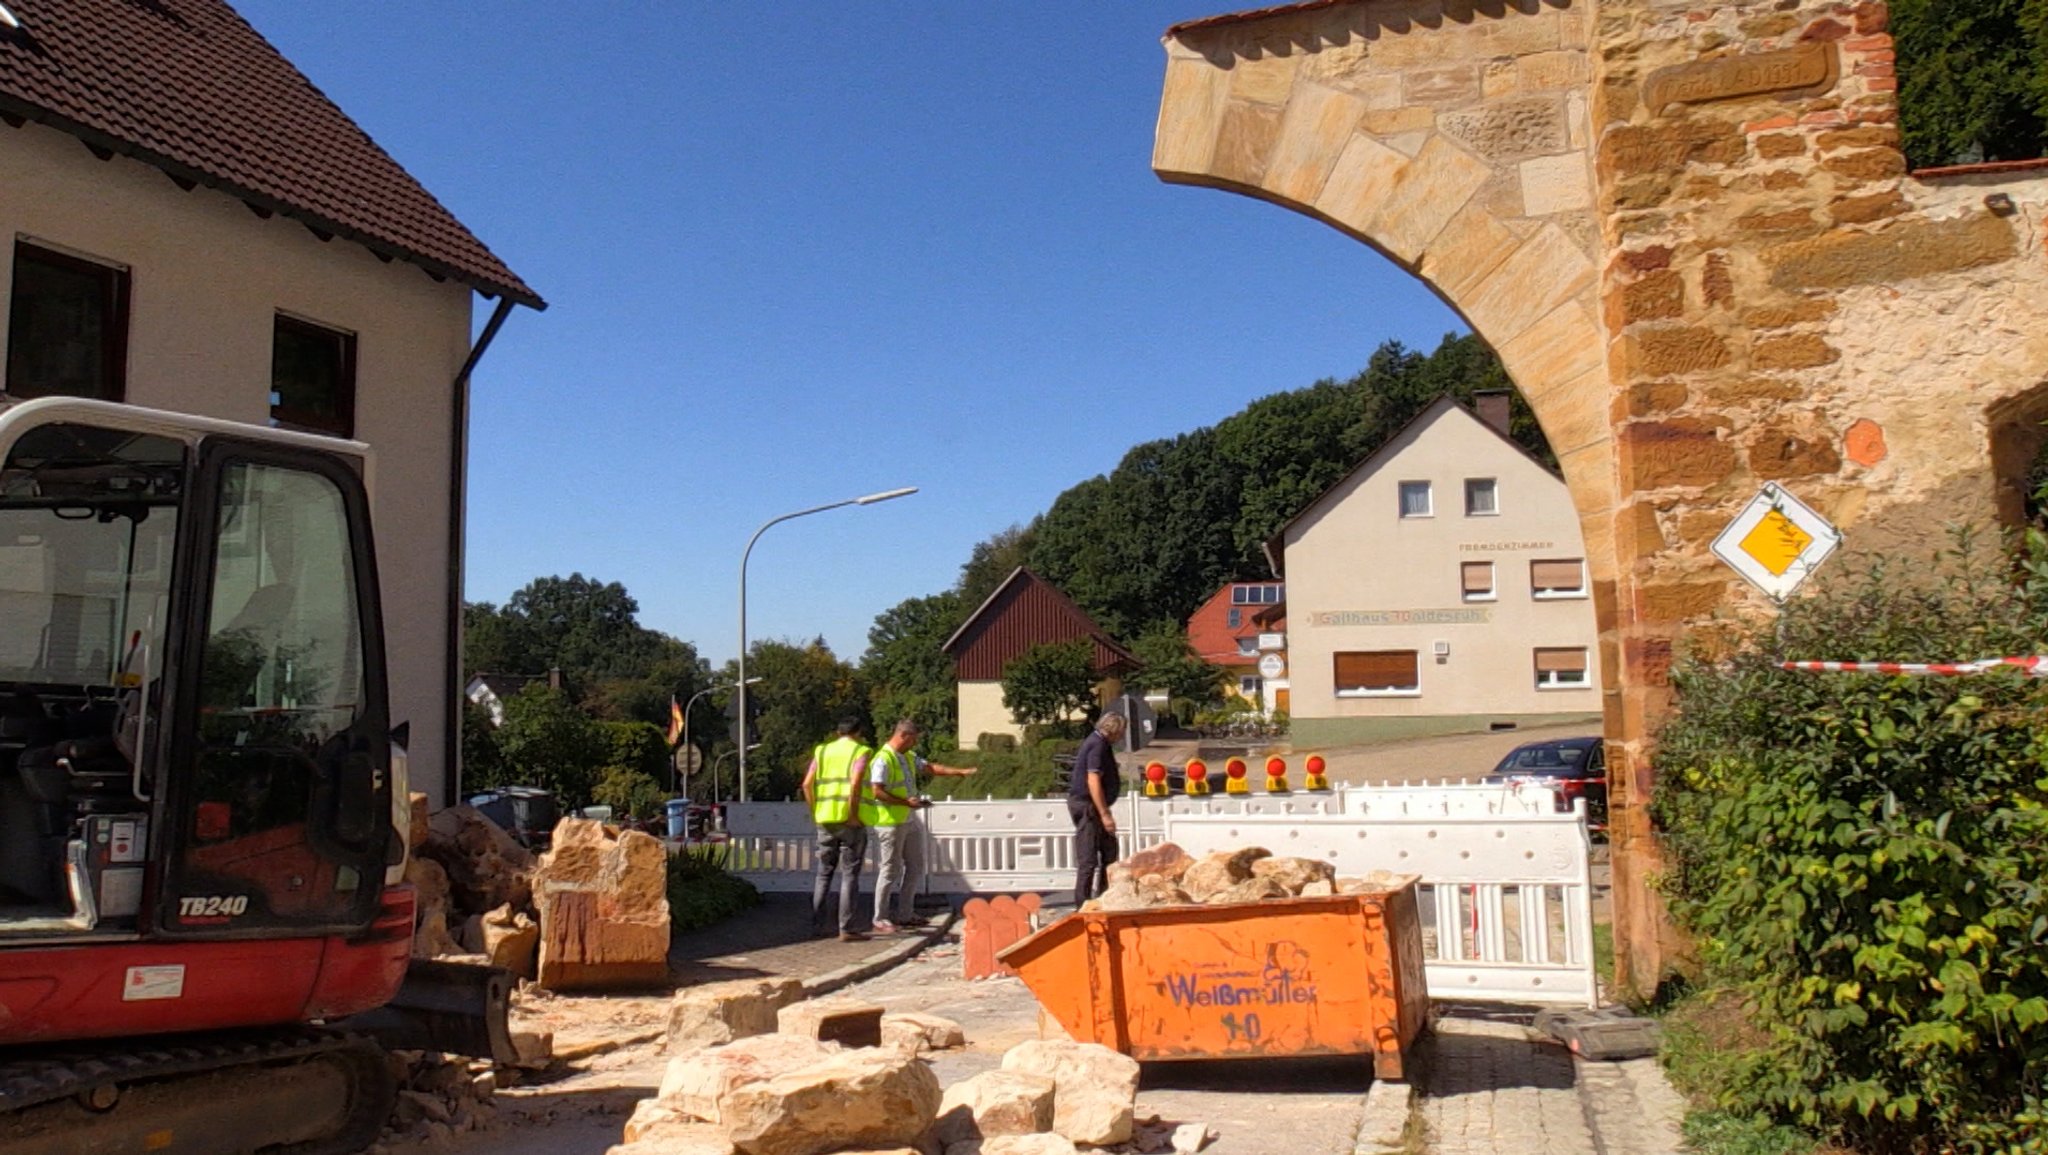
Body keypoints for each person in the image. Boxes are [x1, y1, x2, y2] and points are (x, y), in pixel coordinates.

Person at [862, 718, 976, 933]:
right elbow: (877, 790)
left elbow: (929, 767)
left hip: (908, 819)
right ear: (903, 735)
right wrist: (906, 802)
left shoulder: (907, 756)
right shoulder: (883, 759)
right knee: (890, 870)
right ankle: (880, 917)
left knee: (915, 866)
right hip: (890, 822)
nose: (915, 744)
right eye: (913, 739)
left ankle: (906, 914)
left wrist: (958, 772)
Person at [801, 716, 871, 942]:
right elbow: (856, 782)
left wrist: (815, 811)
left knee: (823, 873)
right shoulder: (861, 751)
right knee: (849, 874)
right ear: (858, 732)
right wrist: (852, 815)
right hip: (848, 820)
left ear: (838, 732)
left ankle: (817, 926)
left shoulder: (821, 751)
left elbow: (806, 784)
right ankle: (846, 928)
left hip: (825, 819)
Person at [1066, 712, 1127, 904]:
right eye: (1121, 731)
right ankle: (1083, 903)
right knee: (1089, 858)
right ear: (1113, 730)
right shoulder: (1097, 745)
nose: (1122, 736)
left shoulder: (1099, 743)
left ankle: (1104, 896)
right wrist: (1105, 814)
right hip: (1087, 806)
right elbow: (1093, 780)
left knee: (1109, 851)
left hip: (1091, 805)